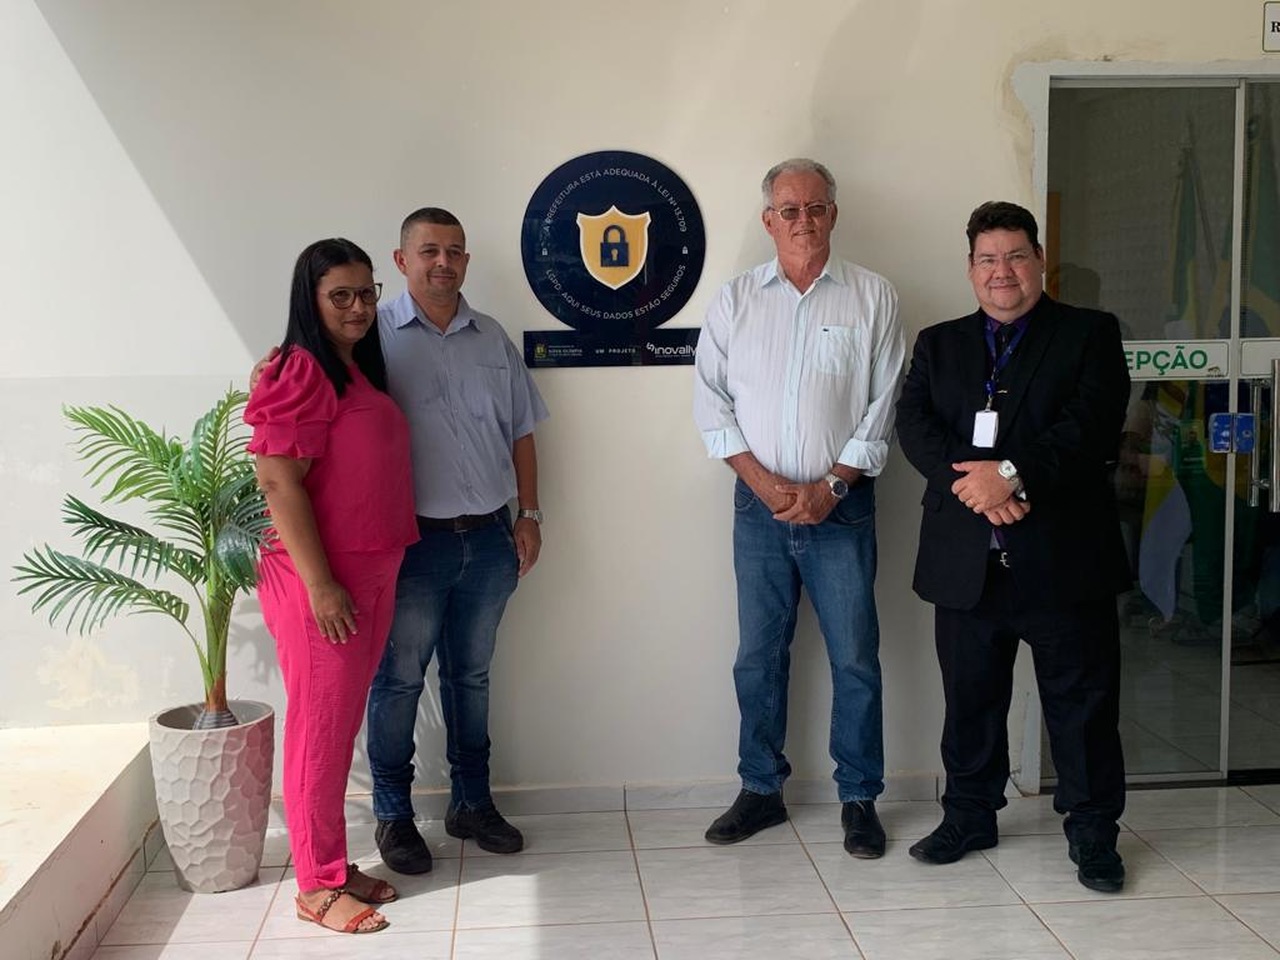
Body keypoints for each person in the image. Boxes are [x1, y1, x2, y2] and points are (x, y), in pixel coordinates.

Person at [895, 201, 1131, 893]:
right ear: (971, 269)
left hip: (1064, 562)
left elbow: (1089, 427)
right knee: (969, 703)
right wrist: (976, 487)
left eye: (1016, 256)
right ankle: (969, 816)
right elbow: (915, 424)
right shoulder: (939, 344)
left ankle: (1093, 832)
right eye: (988, 259)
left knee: (1082, 709)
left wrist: (1011, 473)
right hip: (967, 564)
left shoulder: (1089, 334)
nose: (1003, 272)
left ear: (1039, 261)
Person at [692, 158, 904, 856]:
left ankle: (859, 798)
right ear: (768, 220)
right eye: (789, 210)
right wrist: (761, 482)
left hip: (843, 508)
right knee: (758, 657)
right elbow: (711, 402)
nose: (803, 220)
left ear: (833, 214)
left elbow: (883, 406)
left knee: (856, 658)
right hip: (758, 511)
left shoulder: (873, 296)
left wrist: (831, 485)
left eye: (815, 207)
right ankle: (760, 789)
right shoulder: (735, 300)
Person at [366, 207, 548, 873]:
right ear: (401, 260)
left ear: (466, 260)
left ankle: (472, 803)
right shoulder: (371, 337)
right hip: (411, 546)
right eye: (429, 251)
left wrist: (530, 513)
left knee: (470, 677)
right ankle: (393, 815)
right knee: (399, 681)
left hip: (490, 540)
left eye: (455, 251)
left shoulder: (490, 338)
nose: (444, 262)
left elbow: (522, 430)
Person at [247, 238, 419, 934]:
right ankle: (316, 887)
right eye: (339, 295)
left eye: (366, 293)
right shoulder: (299, 368)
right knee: (319, 730)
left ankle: (334, 865)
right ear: (310, 300)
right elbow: (276, 480)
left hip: (370, 571)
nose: (358, 307)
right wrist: (320, 584)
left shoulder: (352, 370)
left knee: (338, 726)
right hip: (324, 579)